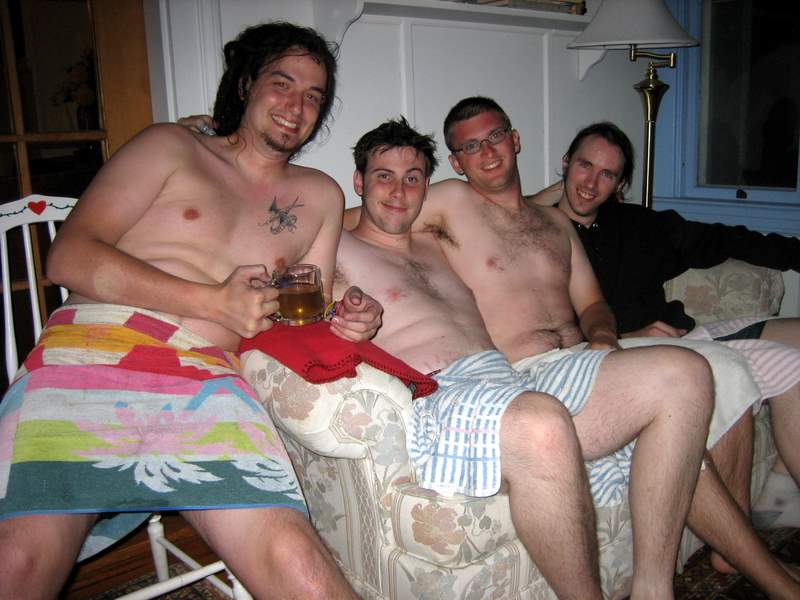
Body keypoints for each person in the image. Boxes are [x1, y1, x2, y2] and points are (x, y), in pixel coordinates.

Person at [336, 117, 800, 598]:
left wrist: (604, 336)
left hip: (537, 369)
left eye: (412, 178)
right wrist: (339, 314)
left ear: (515, 140)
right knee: (549, 421)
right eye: (383, 177)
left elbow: (586, 295)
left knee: (689, 374)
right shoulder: (383, 228)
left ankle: (655, 589)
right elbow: (320, 250)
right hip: (474, 380)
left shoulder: (475, 232)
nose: (399, 191)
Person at [0, 22, 382, 599]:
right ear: (246, 83)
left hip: (206, 378)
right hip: (92, 351)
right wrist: (212, 301)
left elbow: (301, 315)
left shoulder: (321, 196)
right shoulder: (171, 147)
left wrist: (349, 320)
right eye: (282, 83)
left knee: (299, 566)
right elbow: (68, 256)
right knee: (17, 564)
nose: (296, 106)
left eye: (313, 95)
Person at [531, 120, 800, 566]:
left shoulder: (638, 225)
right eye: (583, 166)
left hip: (683, 336)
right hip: (632, 355)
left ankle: (779, 491)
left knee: (794, 350)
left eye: (607, 174)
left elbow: (724, 239)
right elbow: (547, 333)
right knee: (746, 369)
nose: (591, 183)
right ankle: (733, 550)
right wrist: (627, 336)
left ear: (620, 184)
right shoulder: (538, 236)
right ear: (565, 164)